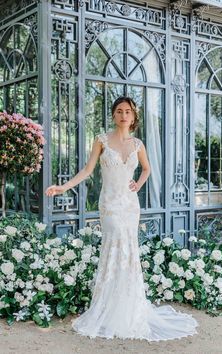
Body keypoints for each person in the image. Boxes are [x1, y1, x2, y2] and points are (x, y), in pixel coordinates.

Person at [45, 96, 199, 341]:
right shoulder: (101, 140)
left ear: (133, 117)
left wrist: (137, 185)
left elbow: (147, 169)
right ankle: (107, 307)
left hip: (129, 205)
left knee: (128, 251)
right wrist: (63, 187)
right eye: (119, 111)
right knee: (114, 248)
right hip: (109, 205)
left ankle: (128, 307)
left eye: (128, 111)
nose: (123, 115)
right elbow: (87, 170)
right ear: (114, 115)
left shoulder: (138, 144)